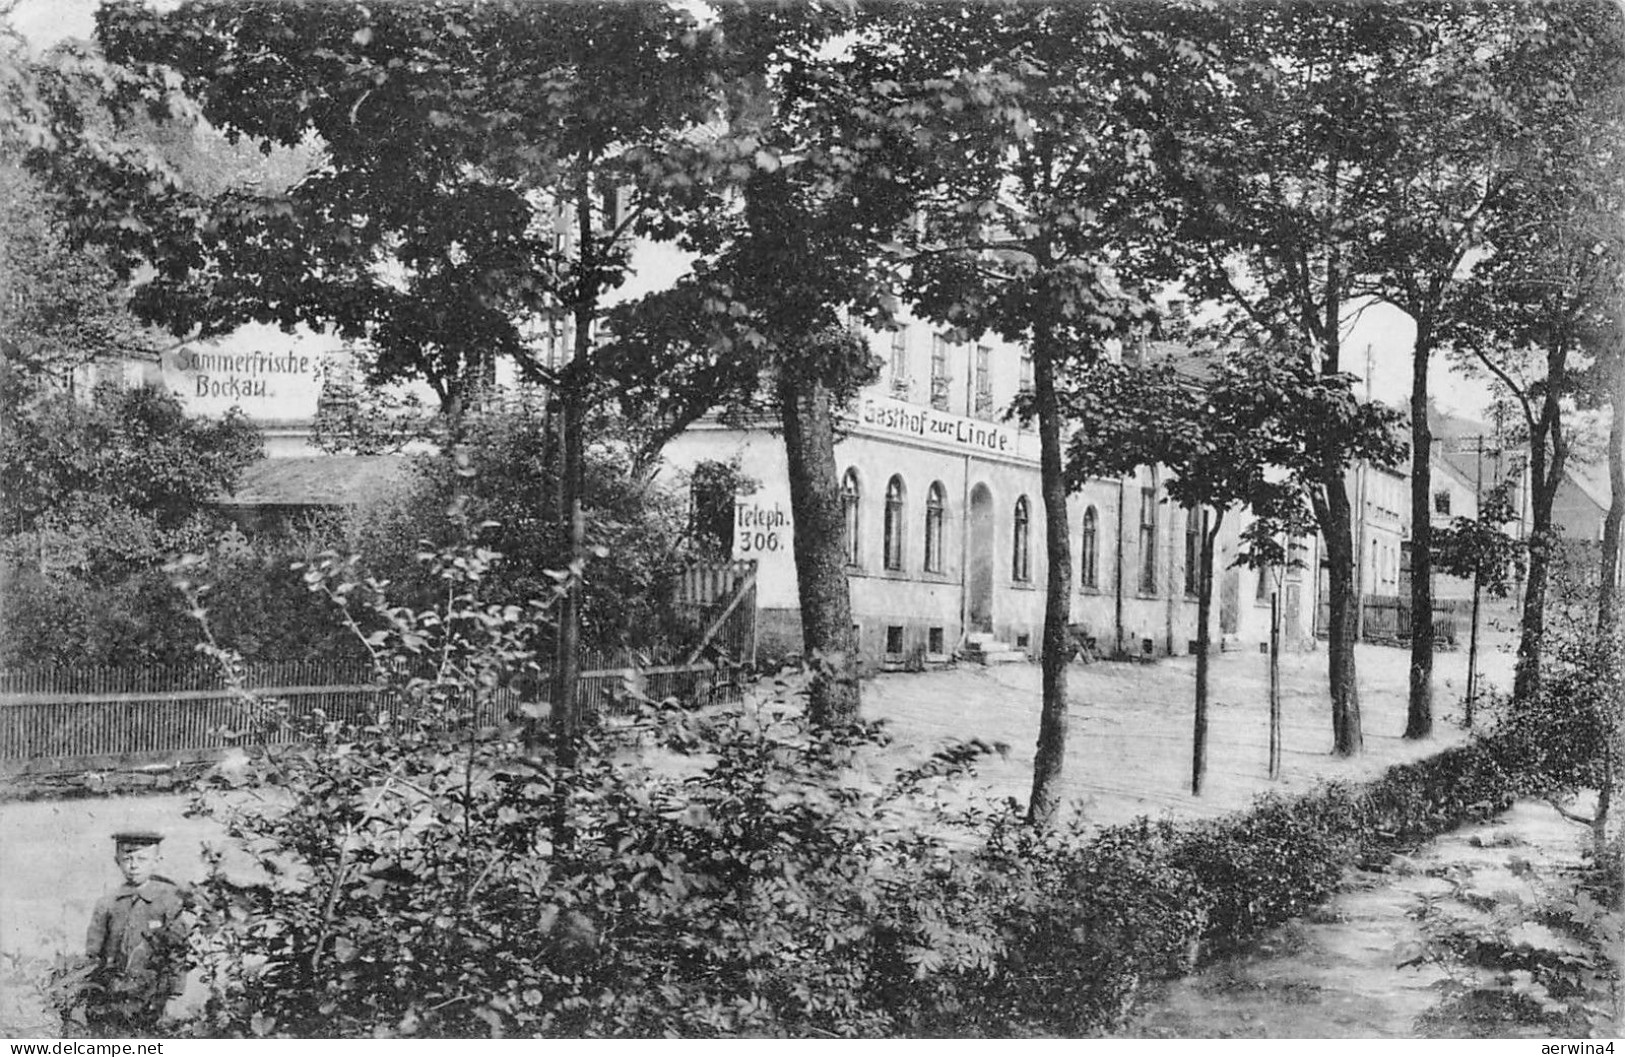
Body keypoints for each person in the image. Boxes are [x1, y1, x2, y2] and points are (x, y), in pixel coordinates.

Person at [81, 831, 188, 1034]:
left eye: (142, 859)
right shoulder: (107, 903)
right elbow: (93, 953)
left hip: (154, 997)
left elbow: (178, 953)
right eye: (127, 858)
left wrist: (175, 995)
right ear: (117, 861)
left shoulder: (169, 901)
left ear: (157, 861)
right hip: (112, 995)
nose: (133, 865)